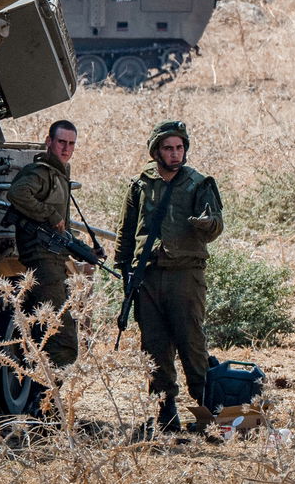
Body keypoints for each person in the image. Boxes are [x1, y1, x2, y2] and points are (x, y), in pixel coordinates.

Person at [114, 120, 223, 434]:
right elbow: (126, 232)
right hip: (147, 276)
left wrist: (206, 223)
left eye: (179, 148)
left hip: (185, 275)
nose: (175, 154)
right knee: (155, 348)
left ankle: (206, 416)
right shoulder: (140, 185)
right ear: (156, 151)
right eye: (168, 148)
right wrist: (125, 273)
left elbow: (216, 225)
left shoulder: (199, 183)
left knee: (192, 344)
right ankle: (165, 416)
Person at [3, 119, 81, 390]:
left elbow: (60, 226)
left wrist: (81, 247)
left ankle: (47, 399)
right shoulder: (41, 172)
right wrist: (49, 214)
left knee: (52, 330)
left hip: (54, 258)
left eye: (71, 144)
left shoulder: (59, 174)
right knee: (61, 335)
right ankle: (50, 403)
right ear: (48, 142)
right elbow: (17, 193)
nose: (66, 148)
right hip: (42, 259)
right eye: (61, 142)